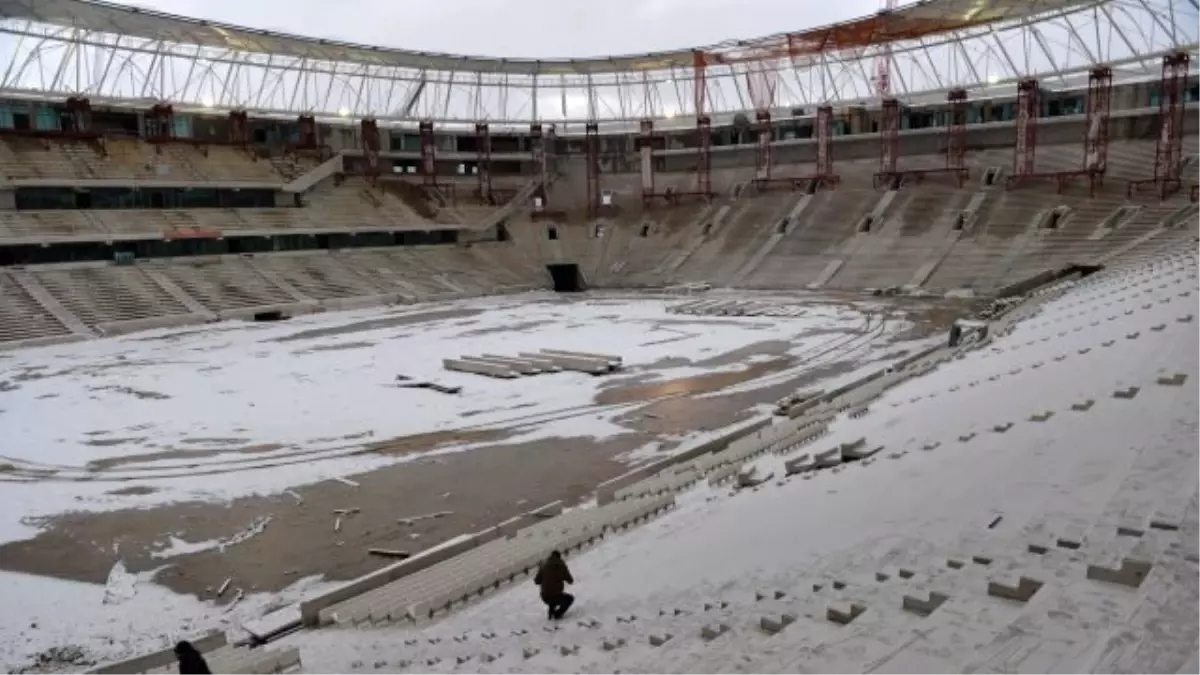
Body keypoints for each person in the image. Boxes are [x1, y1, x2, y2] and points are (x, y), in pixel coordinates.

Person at [533, 550, 575, 620]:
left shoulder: (544, 565)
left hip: (544, 596)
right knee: (569, 599)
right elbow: (570, 581)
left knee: (552, 594)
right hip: (556, 595)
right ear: (559, 557)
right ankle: (557, 614)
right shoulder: (561, 565)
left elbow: (536, 581)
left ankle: (551, 614)